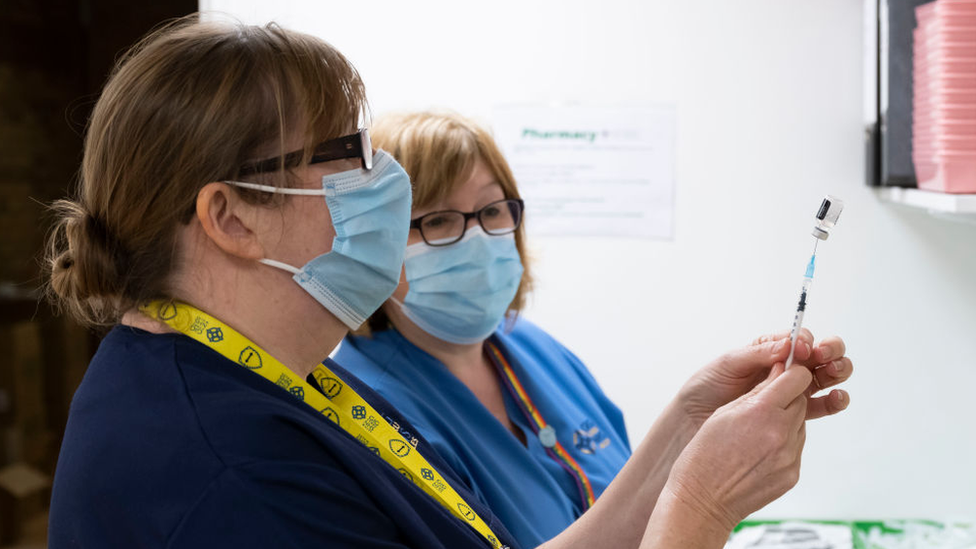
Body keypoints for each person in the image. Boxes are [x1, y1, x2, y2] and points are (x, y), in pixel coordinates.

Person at [45, 15, 848, 549]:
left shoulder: (256, 387)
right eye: (346, 155)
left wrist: (684, 429)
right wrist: (702, 506)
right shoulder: (234, 477)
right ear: (232, 218)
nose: (384, 184)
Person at [336, 111, 855, 548]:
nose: (478, 239)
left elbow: (614, 511)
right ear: (374, 242)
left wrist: (693, 416)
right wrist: (703, 499)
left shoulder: (530, 347)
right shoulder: (364, 413)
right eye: (439, 221)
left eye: (493, 211)